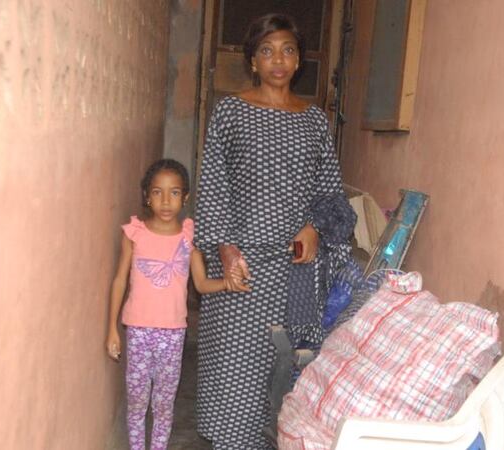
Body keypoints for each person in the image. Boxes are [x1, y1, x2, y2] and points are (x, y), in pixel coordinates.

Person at [194, 13, 345, 449]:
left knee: (288, 371)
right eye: (267, 50)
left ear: (298, 61)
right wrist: (224, 249)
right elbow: (214, 186)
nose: (278, 59)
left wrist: (315, 227)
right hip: (242, 267)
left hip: (296, 270)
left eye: (288, 50)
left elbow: (330, 192)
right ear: (253, 62)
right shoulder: (231, 113)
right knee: (233, 370)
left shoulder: (315, 121)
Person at [105, 158, 232, 450]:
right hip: (138, 330)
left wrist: (226, 283)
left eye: (174, 192)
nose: (165, 200)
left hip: (173, 334)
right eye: (158, 192)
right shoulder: (134, 235)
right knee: (137, 401)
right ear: (146, 197)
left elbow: (200, 284)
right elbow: (119, 282)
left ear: (185, 197)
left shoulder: (190, 237)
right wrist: (112, 328)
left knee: (164, 403)